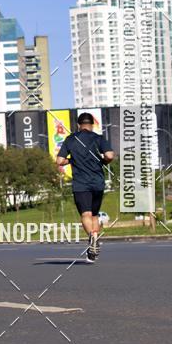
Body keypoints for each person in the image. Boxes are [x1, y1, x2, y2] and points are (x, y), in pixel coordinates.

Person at [56, 113, 114, 263]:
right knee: (94, 215)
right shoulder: (99, 138)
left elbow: (59, 160)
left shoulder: (71, 139)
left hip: (81, 184)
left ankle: (92, 240)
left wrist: (70, 160)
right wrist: (103, 161)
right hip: (98, 183)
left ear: (78, 125)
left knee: (85, 214)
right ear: (92, 124)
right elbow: (110, 155)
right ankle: (92, 250)